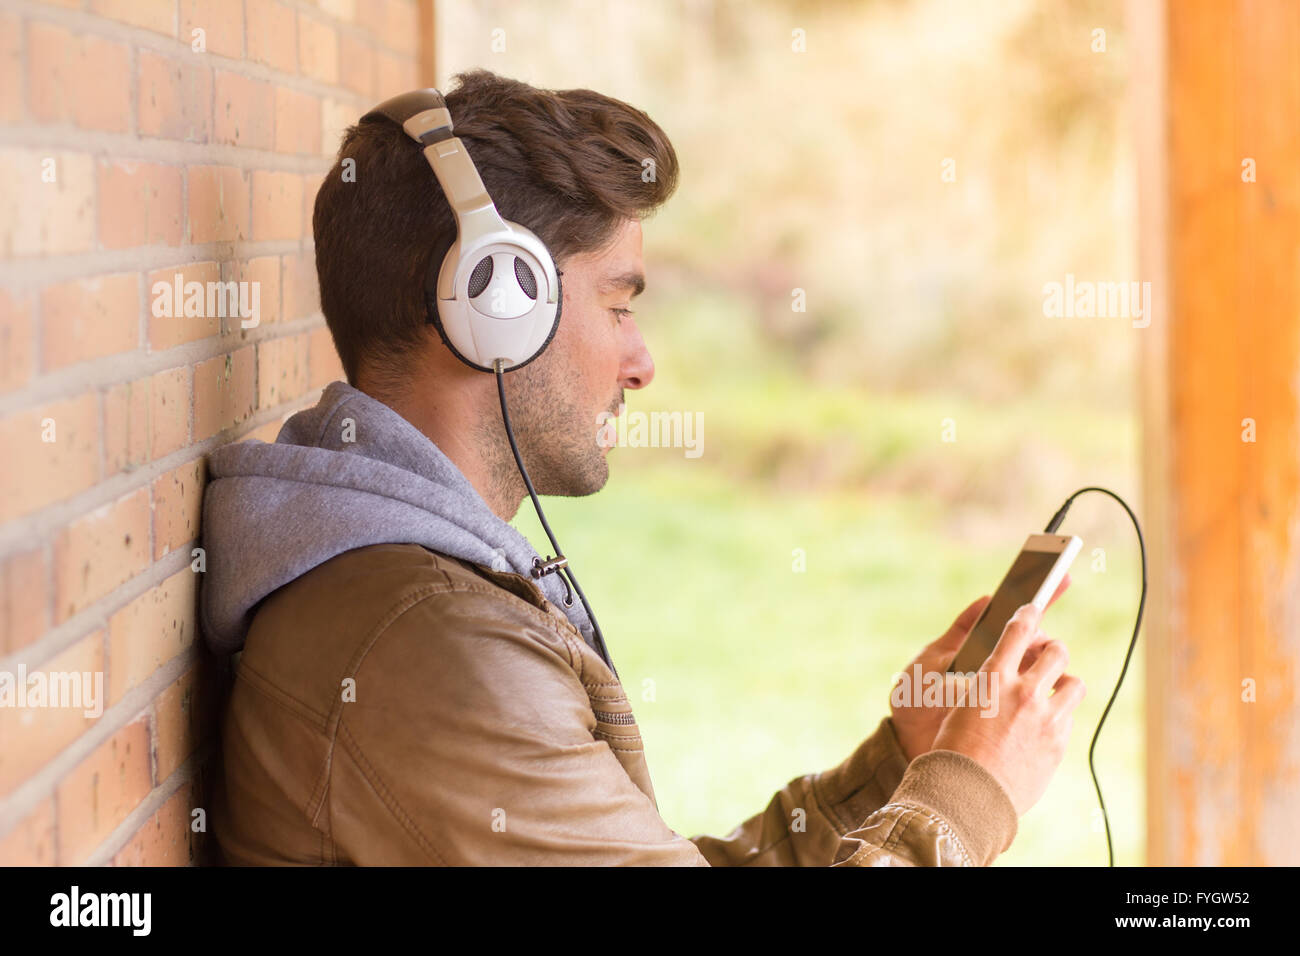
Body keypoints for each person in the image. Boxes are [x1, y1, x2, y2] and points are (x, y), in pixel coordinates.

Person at [200, 68, 1085, 866]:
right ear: (494, 303)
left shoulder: (415, 603)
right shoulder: (431, 651)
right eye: (618, 305)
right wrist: (970, 792)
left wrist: (899, 762)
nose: (643, 363)